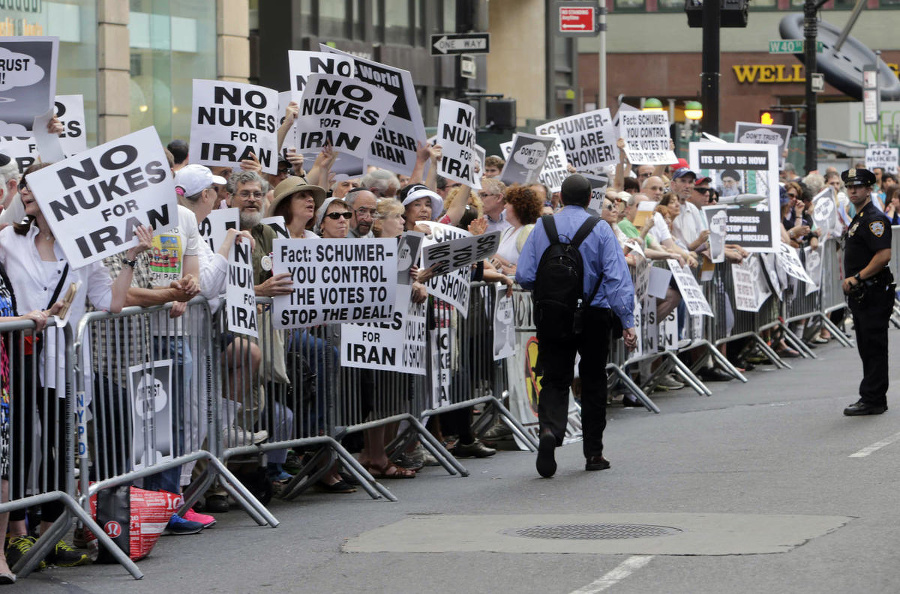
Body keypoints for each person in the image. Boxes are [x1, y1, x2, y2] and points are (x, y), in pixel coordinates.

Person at [1, 162, 152, 566]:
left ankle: (50, 535)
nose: (28, 192)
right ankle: (16, 533)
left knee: (57, 445)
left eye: (38, 186)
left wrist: (131, 258)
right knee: (16, 448)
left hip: (62, 362)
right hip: (16, 358)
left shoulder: (84, 249)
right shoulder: (7, 240)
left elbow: (111, 302)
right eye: (26, 186)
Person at [516, 175, 637, 478]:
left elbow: (525, 275)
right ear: (589, 200)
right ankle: (594, 453)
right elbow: (616, 278)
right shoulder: (601, 229)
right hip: (594, 313)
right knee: (594, 380)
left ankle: (549, 430)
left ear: (560, 197)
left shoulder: (542, 227)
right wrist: (627, 320)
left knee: (554, 377)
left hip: (553, 312)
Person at [840, 168, 894, 416]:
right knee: (867, 345)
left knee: (873, 346)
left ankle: (873, 398)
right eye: (849, 187)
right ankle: (872, 396)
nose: (853, 191)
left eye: (858, 186)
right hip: (864, 293)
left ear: (869, 188)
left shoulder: (873, 218)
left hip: (872, 291)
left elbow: (883, 255)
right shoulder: (860, 216)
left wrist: (858, 277)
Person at [491, 185, 542, 276]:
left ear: (519, 207)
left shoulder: (528, 230)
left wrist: (506, 268)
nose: (505, 206)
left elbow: (531, 266)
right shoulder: (507, 231)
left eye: (509, 203)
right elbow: (493, 256)